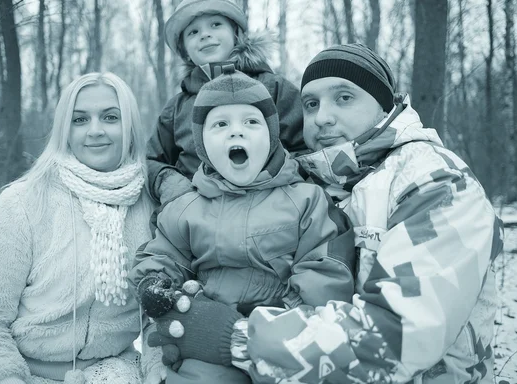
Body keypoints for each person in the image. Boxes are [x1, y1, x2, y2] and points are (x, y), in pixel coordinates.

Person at [146, 44, 504, 383]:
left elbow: (399, 334)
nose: (322, 118)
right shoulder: (320, 184)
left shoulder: (433, 181)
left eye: (344, 98)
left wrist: (236, 338)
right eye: (311, 104)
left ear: (386, 105)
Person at [130, 68, 356, 384]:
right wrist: (156, 284)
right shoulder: (187, 207)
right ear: (203, 144)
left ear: (271, 135)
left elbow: (325, 273)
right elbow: (164, 254)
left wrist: (277, 322)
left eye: (251, 122)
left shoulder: (306, 199)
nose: (237, 133)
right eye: (221, 124)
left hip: (286, 338)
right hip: (206, 339)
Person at [0, 72, 156, 384]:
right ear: (65, 129)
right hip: (26, 374)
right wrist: (5, 378)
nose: (96, 131)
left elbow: (160, 316)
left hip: (118, 372)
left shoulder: (152, 205)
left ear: (129, 126)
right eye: (80, 120)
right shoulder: (22, 203)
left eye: (110, 117)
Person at [147, 0, 306, 206]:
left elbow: (304, 145)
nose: (205, 35)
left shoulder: (273, 87)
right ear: (184, 51)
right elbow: (153, 160)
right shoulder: (176, 108)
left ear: (236, 33)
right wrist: (174, 187)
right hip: (199, 214)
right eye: (193, 32)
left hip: (270, 210)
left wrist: (282, 177)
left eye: (215, 25)